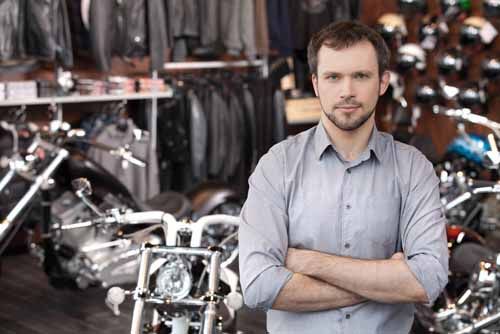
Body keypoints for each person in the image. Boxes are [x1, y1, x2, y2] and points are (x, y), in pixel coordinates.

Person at [238, 21, 448, 334]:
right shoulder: (277, 165)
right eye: (333, 77)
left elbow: (428, 279)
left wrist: (311, 263)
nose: (347, 91)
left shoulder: (413, 168)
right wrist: (388, 283)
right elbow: (258, 286)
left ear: (383, 81)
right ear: (316, 83)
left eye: (360, 76)